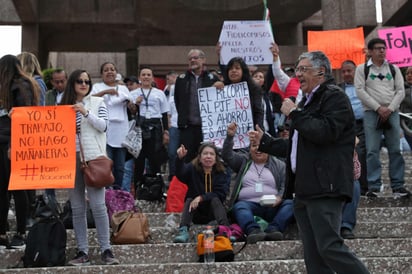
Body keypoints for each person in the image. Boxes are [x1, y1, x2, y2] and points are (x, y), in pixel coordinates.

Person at [249, 51, 370, 273]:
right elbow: (297, 147)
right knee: (314, 255)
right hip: (305, 188)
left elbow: (324, 132)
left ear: (321, 71)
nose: (298, 74)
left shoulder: (334, 97)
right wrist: (265, 142)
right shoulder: (307, 102)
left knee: (329, 247)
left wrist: (295, 114)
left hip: (325, 186)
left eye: (303, 69)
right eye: (297, 70)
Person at [60, 69, 119, 266]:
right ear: (72, 83)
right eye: (79, 81)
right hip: (70, 158)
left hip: (93, 157)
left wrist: (85, 112)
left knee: (98, 206)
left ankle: (106, 249)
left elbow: (103, 126)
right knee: (77, 208)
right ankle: (82, 251)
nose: (84, 84)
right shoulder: (62, 106)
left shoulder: (97, 103)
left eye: (87, 81)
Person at [354, 38, 410, 198]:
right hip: (371, 112)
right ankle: (374, 186)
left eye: (383, 48)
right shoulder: (362, 69)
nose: (381, 51)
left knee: (395, 149)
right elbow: (360, 91)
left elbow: (400, 91)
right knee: (372, 150)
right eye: (378, 48)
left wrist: (390, 108)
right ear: (370, 51)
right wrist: (378, 108)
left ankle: (398, 186)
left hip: (392, 112)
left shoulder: (393, 68)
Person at [222, 122, 294, 244]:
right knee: (239, 206)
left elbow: (285, 185)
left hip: (273, 207)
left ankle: (274, 229)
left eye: (261, 145)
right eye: (254, 146)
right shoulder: (243, 162)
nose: (258, 149)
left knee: (291, 204)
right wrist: (229, 137)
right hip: (249, 206)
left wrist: (279, 198)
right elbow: (227, 155)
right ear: (249, 149)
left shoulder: (280, 165)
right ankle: (253, 230)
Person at [0, 54, 40, 249]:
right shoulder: (19, 85)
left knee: (17, 188)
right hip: (8, 141)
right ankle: (4, 232)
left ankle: (20, 232)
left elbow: (23, 117)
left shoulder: (19, 85)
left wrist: (13, 145)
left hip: (13, 142)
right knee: (5, 188)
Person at [173, 143, 230, 243]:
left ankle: (225, 230)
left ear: (216, 158)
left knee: (215, 199)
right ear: (199, 157)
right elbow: (180, 174)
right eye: (205, 153)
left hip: (214, 212)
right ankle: (183, 230)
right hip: (196, 211)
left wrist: (201, 198)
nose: (208, 156)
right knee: (190, 199)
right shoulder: (192, 168)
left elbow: (221, 194)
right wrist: (180, 159)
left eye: (212, 154)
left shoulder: (222, 172)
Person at [174, 49, 223, 162]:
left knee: (206, 158)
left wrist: (220, 85)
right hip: (187, 127)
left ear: (203, 60)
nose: (192, 60)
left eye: (195, 58)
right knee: (186, 159)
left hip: (207, 128)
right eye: (190, 58)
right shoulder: (181, 79)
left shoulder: (212, 78)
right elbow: (178, 101)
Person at [91, 62, 131, 190]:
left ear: (116, 72)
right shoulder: (97, 87)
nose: (110, 72)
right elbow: (90, 100)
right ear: (101, 74)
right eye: (106, 70)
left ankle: (118, 193)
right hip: (104, 132)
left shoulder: (123, 89)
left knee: (120, 167)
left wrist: (132, 104)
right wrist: (107, 91)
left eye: (112, 69)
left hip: (121, 132)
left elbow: (133, 109)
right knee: (106, 165)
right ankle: (106, 192)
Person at [131, 67, 170, 189]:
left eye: (148, 75)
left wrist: (166, 132)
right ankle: (138, 188)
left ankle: (155, 188)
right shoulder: (133, 94)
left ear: (152, 78)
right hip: (140, 127)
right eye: (143, 75)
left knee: (155, 160)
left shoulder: (159, 93)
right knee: (139, 160)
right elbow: (130, 114)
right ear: (139, 78)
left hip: (156, 127)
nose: (146, 77)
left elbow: (164, 114)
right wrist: (136, 104)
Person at [338, 60, 368, 195]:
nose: (346, 74)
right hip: (347, 126)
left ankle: (364, 186)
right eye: (343, 71)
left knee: (362, 153)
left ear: (356, 71)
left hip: (365, 124)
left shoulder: (366, 86)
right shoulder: (338, 89)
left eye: (349, 71)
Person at [44, 68, 68, 199]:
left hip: (69, 137)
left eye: (62, 81)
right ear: (52, 82)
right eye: (56, 82)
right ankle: (50, 201)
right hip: (52, 137)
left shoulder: (73, 94)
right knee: (50, 170)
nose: (59, 84)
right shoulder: (48, 95)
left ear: (67, 80)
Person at [222, 57, 264, 130]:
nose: (233, 71)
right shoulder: (222, 87)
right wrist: (215, 88)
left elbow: (258, 111)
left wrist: (258, 130)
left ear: (243, 71)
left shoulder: (254, 88)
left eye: (237, 68)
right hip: (227, 133)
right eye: (231, 69)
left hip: (249, 132)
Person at [341, 137, 362, 239]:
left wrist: (350, 150)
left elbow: (355, 174)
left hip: (342, 179)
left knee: (355, 185)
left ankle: (346, 225)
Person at [164, 71, 180, 181]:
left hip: (186, 126)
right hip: (174, 126)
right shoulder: (171, 96)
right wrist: (168, 127)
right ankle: (173, 175)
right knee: (172, 153)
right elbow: (168, 113)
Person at [252, 70, 276, 136]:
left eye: (261, 77)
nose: (258, 78)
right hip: (254, 132)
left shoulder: (266, 95)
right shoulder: (248, 94)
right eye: (255, 76)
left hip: (267, 131)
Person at [400, 66, 412, 148]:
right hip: (406, 125)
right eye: (407, 73)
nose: (409, 75)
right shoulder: (400, 88)